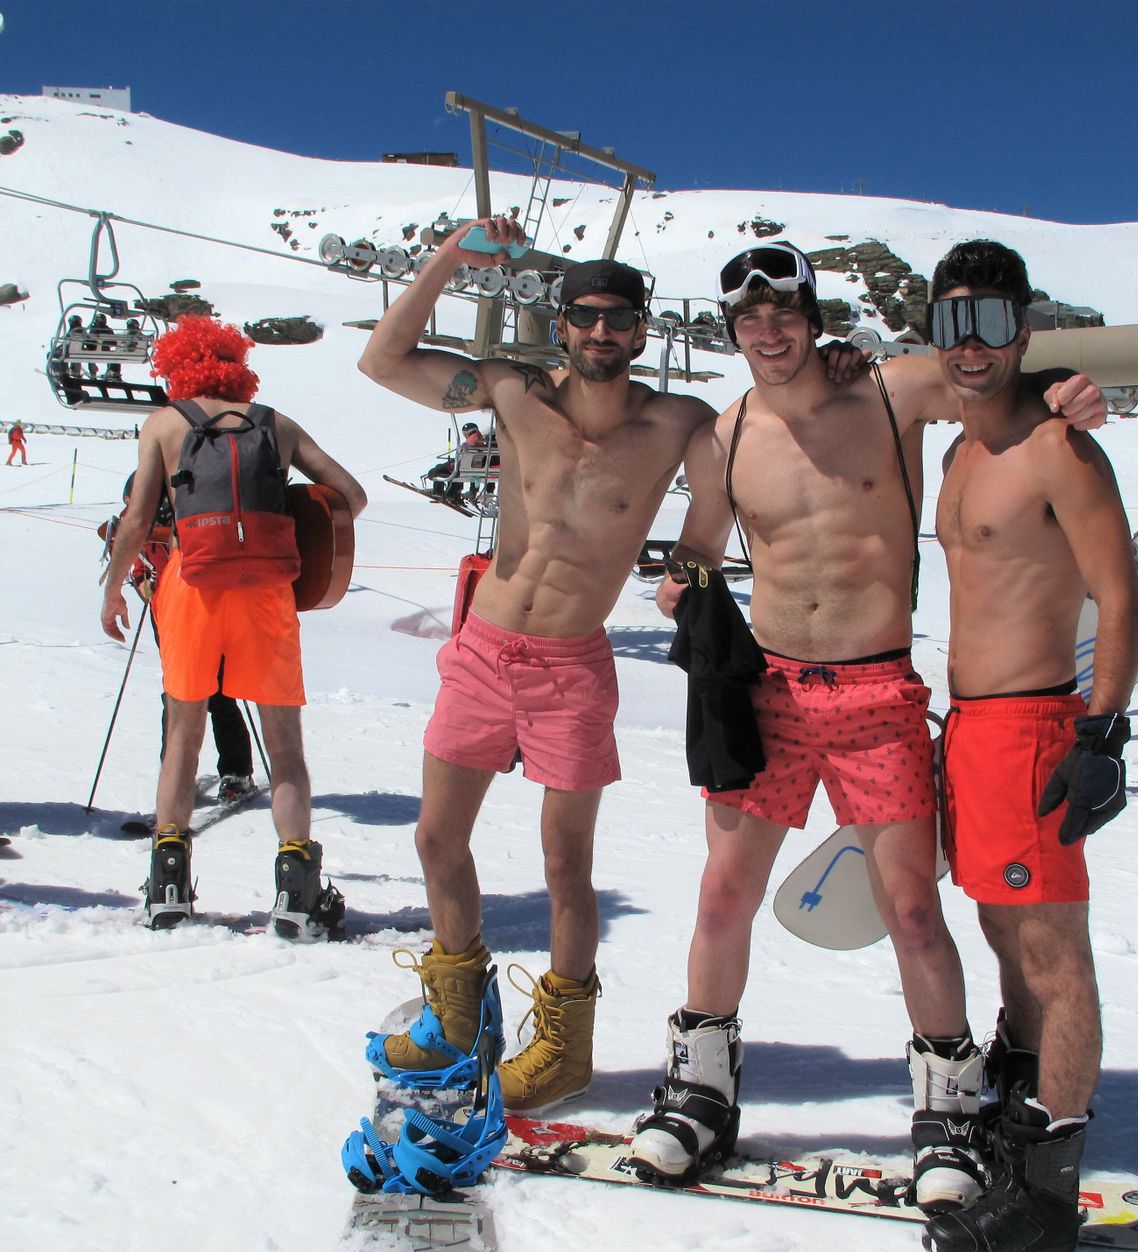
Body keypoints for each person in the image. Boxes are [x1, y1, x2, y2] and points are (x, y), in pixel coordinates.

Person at [624, 240, 1108, 1215]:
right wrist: (687, 576)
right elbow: (705, 537)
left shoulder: (891, 393)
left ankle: (948, 1108)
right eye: (749, 318)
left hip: (877, 694)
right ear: (733, 330)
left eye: (785, 312)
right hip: (766, 693)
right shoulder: (723, 434)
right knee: (723, 897)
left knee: (910, 909)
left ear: (811, 314)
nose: (768, 330)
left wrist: (1064, 388)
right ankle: (700, 1088)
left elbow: (992, 379)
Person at [356, 218, 773, 1112]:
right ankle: (457, 1017)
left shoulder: (677, 423)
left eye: (619, 319)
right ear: (562, 324)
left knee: (565, 862)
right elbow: (384, 363)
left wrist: (690, 572)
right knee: (437, 838)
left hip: (571, 666)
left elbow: (727, 490)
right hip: (483, 649)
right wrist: (451, 262)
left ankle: (564, 1049)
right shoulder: (511, 394)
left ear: (641, 331)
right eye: (584, 317)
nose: (600, 333)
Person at [911, 241, 1138, 1252]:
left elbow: (1123, 592)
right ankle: (1018, 1123)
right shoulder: (958, 445)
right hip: (971, 731)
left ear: (1023, 331)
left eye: (992, 325)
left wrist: (1103, 727)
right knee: (1005, 943)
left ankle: (1048, 1191)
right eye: (954, 324)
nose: (972, 347)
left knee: (1055, 958)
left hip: (1041, 723)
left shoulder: (1060, 448)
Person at [100, 316, 367, 936]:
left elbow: (137, 521)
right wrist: (289, 517)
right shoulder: (275, 423)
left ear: (178, 365)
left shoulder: (164, 425)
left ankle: (169, 885)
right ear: (237, 365)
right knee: (285, 746)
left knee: (183, 734)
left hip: (192, 588)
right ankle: (298, 895)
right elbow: (349, 494)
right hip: (266, 594)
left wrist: (114, 588)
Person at [105, 473, 255, 799]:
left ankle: (237, 770)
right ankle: (174, 773)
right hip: (169, 620)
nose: (132, 513)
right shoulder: (140, 532)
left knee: (218, 695)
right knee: (175, 695)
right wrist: (153, 592)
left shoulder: (190, 526)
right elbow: (140, 570)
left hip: (207, 615)